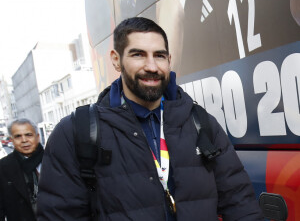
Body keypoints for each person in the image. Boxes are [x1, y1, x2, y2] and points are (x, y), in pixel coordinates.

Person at [37, 17, 263, 221]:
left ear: (169, 60)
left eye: (159, 56)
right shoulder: (76, 132)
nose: (152, 66)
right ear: (116, 60)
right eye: (138, 55)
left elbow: (240, 203)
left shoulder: (200, 122)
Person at [0, 119, 43, 221]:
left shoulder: (55, 161)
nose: (24, 140)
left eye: (28, 135)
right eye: (18, 136)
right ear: (12, 140)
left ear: (37, 137)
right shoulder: (3, 167)